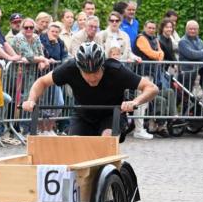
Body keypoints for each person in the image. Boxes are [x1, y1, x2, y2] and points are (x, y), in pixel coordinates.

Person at [22, 42, 159, 142]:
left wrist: (135, 102)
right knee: (75, 145)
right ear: (79, 68)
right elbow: (42, 82)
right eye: (86, 73)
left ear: (102, 66)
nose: (92, 77)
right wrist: (31, 99)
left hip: (111, 115)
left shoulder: (116, 70)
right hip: (83, 115)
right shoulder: (70, 68)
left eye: (96, 72)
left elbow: (152, 88)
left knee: (106, 139)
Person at [132, 20, 164, 140]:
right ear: (145, 27)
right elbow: (151, 54)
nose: (151, 30)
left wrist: (159, 55)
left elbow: (161, 53)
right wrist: (159, 55)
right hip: (142, 74)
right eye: (149, 27)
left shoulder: (154, 39)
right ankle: (138, 129)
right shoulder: (141, 38)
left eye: (153, 28)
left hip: (150, 73)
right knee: (140, 102)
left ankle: (140, 128)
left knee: (144, 104)